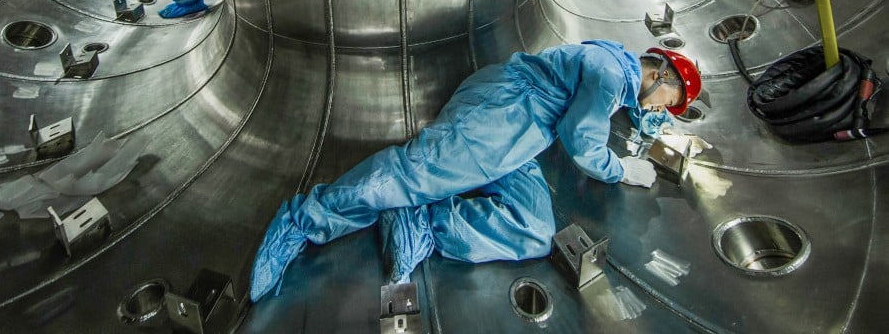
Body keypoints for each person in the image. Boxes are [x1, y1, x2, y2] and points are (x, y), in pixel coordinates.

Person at [250, 40, 701, 302]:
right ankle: (303, 220)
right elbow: (583, 140)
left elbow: (618, 102)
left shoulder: (618, 67)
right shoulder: (609, 73)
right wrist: (618, 169)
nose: (666, 108)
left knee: (535, 230)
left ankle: (423, 219)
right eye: (670, 100)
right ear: (661, 75)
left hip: (523, 136)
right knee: (414, 172)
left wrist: (646, 116)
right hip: (501, 111)